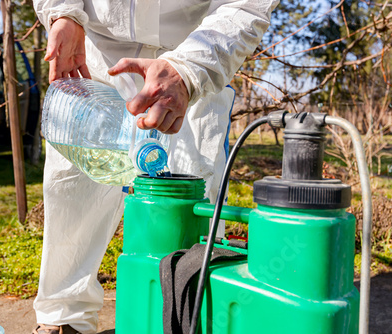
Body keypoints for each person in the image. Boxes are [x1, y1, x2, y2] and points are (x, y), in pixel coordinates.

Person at [32, 0, 278, 333]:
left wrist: (189, 69)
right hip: (96, 56)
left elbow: (246, 5)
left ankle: (187, 320)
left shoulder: (190, 66)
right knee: (73, 197)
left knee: (188, 209)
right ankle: (63, 320)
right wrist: (64, 13)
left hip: (191, 60)